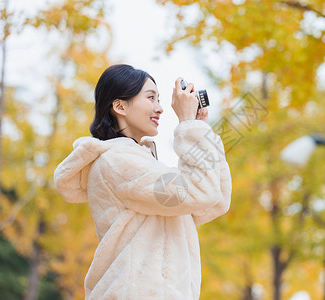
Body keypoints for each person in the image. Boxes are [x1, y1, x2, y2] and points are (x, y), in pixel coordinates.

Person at [54, 64, 232, 299]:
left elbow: (213, 201)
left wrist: (200, 129)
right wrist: (189, 127)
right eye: (151, 98)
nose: (160, 109)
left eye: (159, 99)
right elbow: (200, 192)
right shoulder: (117, 161)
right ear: (119, 106)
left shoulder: (142, 163)